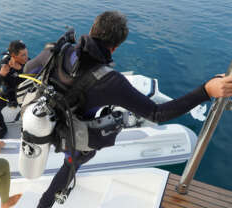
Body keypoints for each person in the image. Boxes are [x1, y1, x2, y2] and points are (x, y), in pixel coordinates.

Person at [23, 11, 232, 208]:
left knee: (72, 159)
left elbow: (28, 70)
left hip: (42, 118)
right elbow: (156, 113)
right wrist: (205, 91)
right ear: (115, 47)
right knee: (74, 161)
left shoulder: (55, 50)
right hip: (70, 134)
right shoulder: (110, 81)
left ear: (92, 28)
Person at [0, 40, 29, 138]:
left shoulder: (28, 64)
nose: (26, 58)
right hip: (6, 94)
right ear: (13, 56)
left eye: (26, 54)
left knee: (29, 111)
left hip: (22, 93)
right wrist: (1, 75)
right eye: (23, 55)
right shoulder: (2, 65)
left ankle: (25, 129)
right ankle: (3, 128)